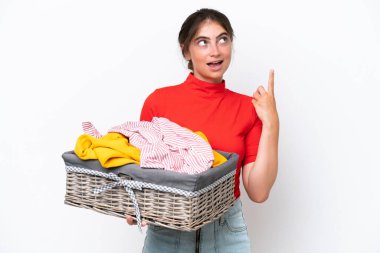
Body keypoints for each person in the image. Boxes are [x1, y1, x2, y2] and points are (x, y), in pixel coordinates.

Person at [126, 8, 279, 253]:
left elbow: (258, 192)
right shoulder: (159, 102)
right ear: (186, 50)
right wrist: (136, 206)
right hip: (168, 230)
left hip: (226, 232)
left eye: (223, 39)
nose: (215, 51)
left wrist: (272, 124)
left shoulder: (249, 109)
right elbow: (142, 172)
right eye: (202, 42)